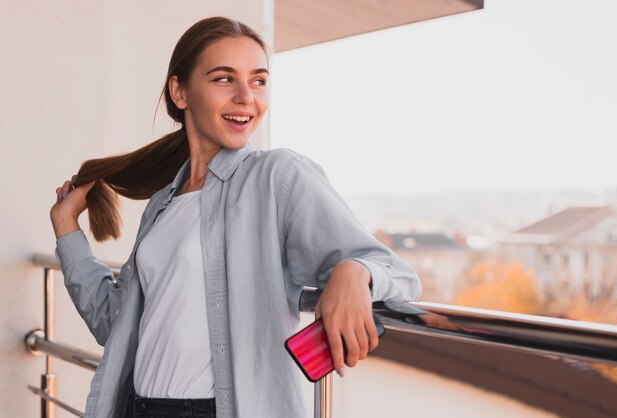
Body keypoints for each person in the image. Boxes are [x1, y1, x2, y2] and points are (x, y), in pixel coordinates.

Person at [50, 16, 421, 418]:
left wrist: (354, 272)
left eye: (259, 80)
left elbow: (397, 276)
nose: (247, 97)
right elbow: (115, 325)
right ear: (180, 92)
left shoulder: (278, 177)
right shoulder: (162, 205)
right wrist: (66, 228)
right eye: (224, 79)